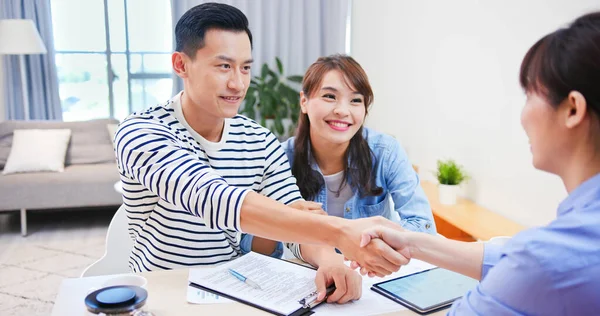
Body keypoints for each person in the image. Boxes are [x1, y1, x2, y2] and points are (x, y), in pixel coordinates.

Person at [114, 2, 406, 302]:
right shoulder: (142, 132)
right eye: (223, 66)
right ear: (181, 65)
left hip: (239, 291)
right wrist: (336, 231)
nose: (238, 84)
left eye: (245, 67)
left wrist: (329, 259)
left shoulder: (259, 139)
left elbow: (295, 216)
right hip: (164, 293)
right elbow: (212, 198)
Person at [356, 11, 600, 315]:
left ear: (573, 109)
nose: (523, 116)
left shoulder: (547, 259)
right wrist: (412, 243)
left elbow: (532, 265)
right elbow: (510, 259)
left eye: (529, 95)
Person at [279, 54, 436, 293]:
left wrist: (372, 246)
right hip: (306, 279)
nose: (343, 111)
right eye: (329, 96)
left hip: (373, 276)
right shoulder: (282, 158)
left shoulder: (386, 151)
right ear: (304, 101)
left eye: (355, 100)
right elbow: (258, 239)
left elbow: (423, 226)